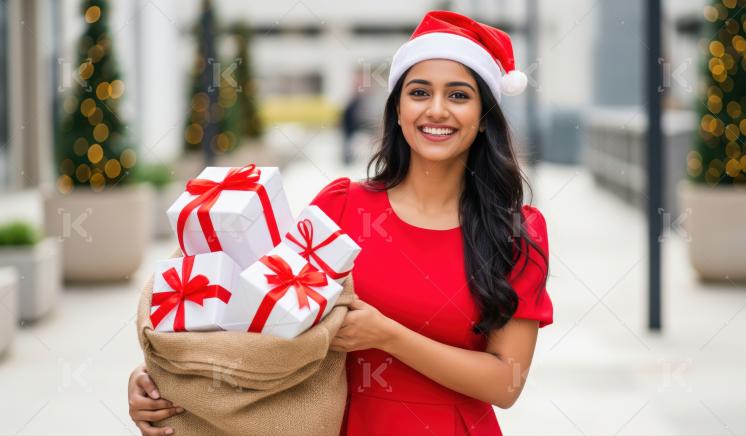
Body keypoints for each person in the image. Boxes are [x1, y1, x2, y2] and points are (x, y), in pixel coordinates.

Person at [128, 10, 551, 435]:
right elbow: (254, 316)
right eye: (419, 92)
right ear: (398, 110)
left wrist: (387, 336)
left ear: (483, 117)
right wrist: (164, 381)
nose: (436, 110)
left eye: (459, 95)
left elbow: (505, 383)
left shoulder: (517, 232)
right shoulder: (342, 207)